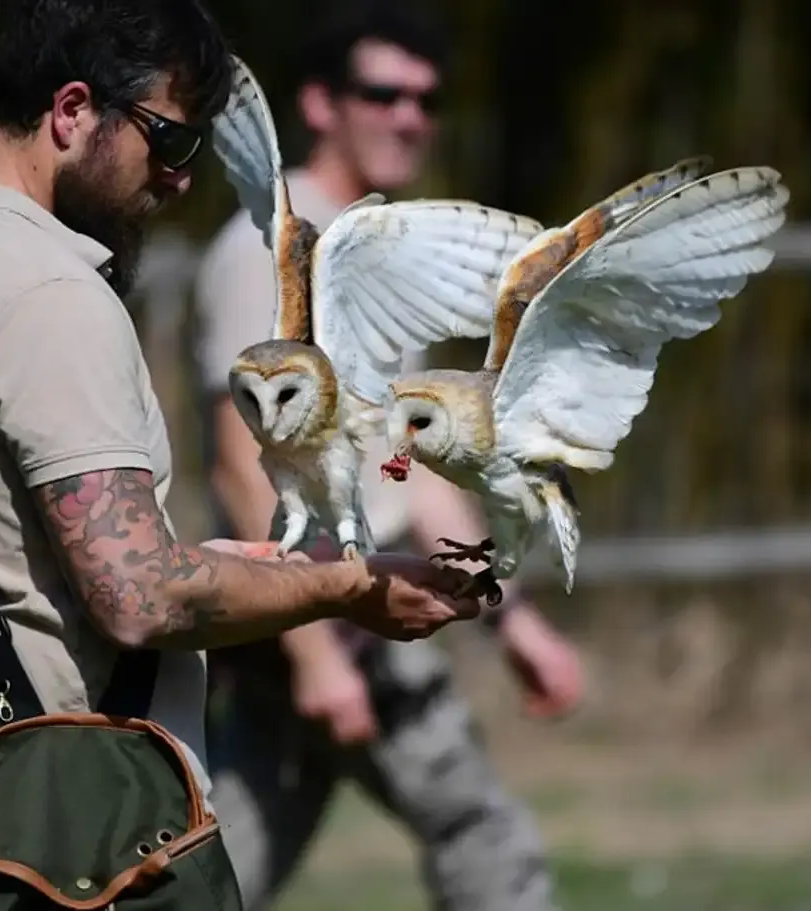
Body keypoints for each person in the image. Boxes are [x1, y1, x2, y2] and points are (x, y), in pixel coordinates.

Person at [0, 0, 480, 901]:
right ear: (70, 111)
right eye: (169, 142)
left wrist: (214, 562)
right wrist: (351, 586)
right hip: (98, 841)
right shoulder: (48, 293)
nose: (180, 179)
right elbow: (139, 598)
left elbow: (5, 556)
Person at [193, 2, 586, 909]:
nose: (409, 115)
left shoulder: (372, 252)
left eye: (426, 98)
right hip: (326, 617)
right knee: (483, 837)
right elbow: (236, 466)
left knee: (220, 874)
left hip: (323, 621)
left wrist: (508, 612)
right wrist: (317, 656)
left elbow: (408, 476)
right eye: (383, 92)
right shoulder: (274, 252)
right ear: (320, 103)